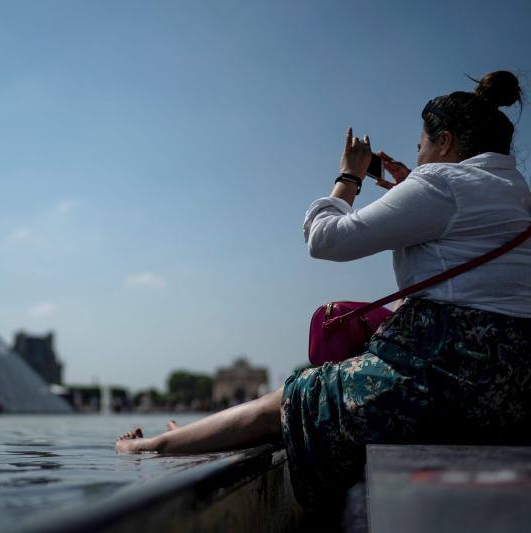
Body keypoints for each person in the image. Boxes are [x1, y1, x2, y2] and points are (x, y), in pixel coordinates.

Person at [115, 71, 531, 509]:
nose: (420, 157)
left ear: (444, 143)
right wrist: (412, 185)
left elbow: (325, 239)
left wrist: (348, 177)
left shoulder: (439, 185)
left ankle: (156, 446)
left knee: (299, 395)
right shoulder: (516, 192)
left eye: (422, 146)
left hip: (452, 378)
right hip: (515, 385)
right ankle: (196, 436)